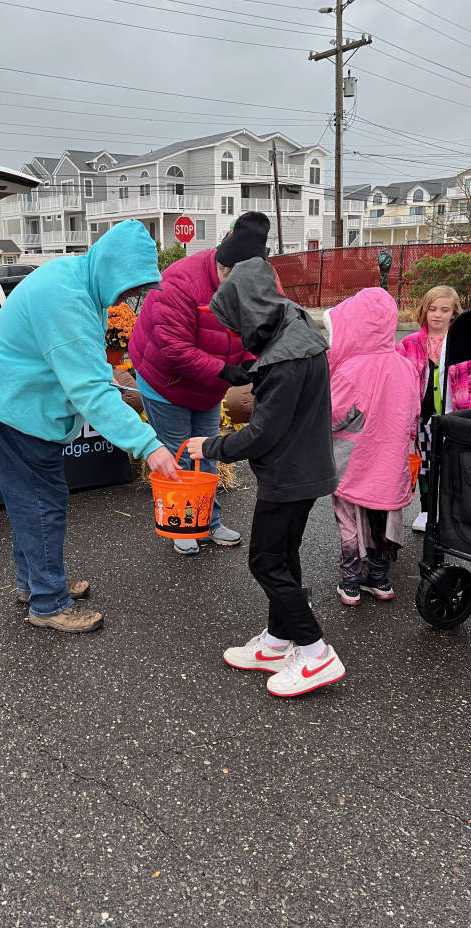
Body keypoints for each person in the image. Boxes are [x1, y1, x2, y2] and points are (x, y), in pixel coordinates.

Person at [0, 220, 180, 634]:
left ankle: (35, 584)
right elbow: (90, 391)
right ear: (113, 269)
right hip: (16, 407)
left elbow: (87, 370)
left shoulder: (79, 278)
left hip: (10, 397)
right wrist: (149, 446)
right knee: (43, 504)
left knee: (30, 502)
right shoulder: (66, 299)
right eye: (131, 287)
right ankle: (48, 604)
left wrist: (112, 386)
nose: (131, 297)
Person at [187, 257, 345, 698]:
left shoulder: (284, 361)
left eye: (237, 321)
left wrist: (210, 447)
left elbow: (260, 434)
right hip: (305, 469)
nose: (237, 333)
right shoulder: (298, 328)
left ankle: (314, 651)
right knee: (284, 556)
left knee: (265, 561)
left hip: (288, 475)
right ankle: (279, 639)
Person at [129, 211, 269, 555]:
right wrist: (224, 371)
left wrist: (254, 364)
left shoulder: (255, 283)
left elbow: (261, 331)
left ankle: (209, 521)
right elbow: (174, 349)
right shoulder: (178, 282)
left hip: (207, 386)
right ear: (223, 267)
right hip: (166, 381)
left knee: (205, 453)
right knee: (178, 454)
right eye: (230, 279)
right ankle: (181, 522)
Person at [323, 289, 420, 607]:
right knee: (384, 520)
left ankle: (350, 582)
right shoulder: (405, 366)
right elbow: (413, 413)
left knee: (349, 522)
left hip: (353, 461)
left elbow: (333, 415)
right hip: (392, 462)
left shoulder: (350, 369)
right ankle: (379, 579)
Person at [396, 286, 471, 532]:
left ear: (454, 313)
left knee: (451, 468)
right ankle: (426, 511)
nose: (437, 315)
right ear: (424, 311)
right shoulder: (408, 344)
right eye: (432, 309)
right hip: (421, 419)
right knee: (424, 467)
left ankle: (449, 513)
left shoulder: (463, 344)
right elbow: (398, 380)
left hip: (453, 418)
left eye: (444, 310)